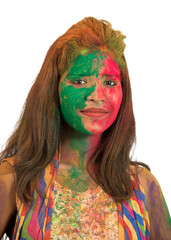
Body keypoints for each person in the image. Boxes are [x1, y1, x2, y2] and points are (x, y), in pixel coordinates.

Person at [0, 16, 170, 240]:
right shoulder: (14, 178)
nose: (97, 96)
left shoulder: (144, 186)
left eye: (109, 82)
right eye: (80, 81)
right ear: (54, 88)